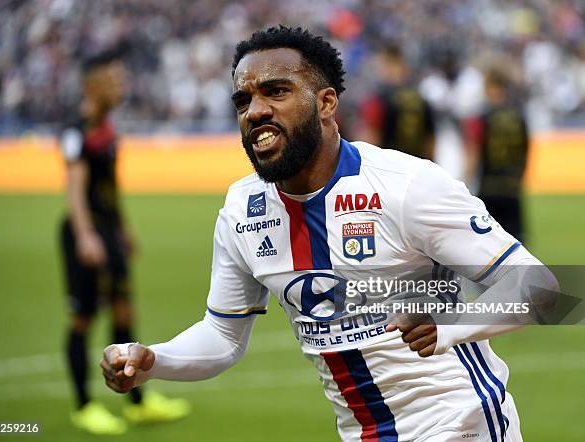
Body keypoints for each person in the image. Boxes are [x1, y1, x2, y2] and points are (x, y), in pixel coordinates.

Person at [100, 27, 557, 441]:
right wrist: (153, 359)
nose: (256, 110)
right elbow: (222, 336)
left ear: (326, 103)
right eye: (244, 100)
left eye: (276, 91)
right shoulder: (242, 211)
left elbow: (543, 289)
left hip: (459, 425)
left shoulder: (405, 186)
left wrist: (452, 325)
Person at [58, 48, 190, 435]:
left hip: (110, 233)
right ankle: (83, 406)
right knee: (83, 318)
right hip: (87, 234)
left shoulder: (107, 129)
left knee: (123, 314)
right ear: (93, 86)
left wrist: (123, 229)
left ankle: (135, 402)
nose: (121, 86)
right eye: (113, 80)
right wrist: (85, 235)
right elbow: (75, 188)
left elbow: (110, 188)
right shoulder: (76, 132)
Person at [462, 64, 529, 242]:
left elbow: (473, 154)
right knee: (516, 244)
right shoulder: (519, 117)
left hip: (489, 188)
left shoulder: (481, 118)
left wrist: (465, 183)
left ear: (490, 86)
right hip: (512, 188)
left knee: (489, 244)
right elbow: (526, 151)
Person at [357, 44, 436, 160]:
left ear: (387, 64)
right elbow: (430, 141)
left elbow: (372, 136)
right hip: (416, 166)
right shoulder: (420, 97)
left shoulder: (379, 97)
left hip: (389, 166)